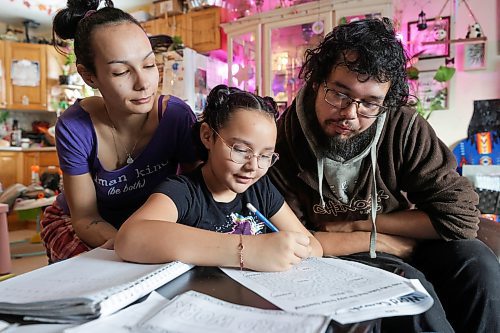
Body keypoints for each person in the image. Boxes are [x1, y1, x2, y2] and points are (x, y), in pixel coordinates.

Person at [269, 18, 499, 333]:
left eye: (369, 103)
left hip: (392, 234)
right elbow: (296, 241)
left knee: (477, 263)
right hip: (331, 254)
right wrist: (386, 244)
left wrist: (361, 224)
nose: (349, 113)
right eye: (339, 94)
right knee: (408, 287)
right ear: (316, 81)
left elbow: (460, 219)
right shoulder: (284, 139)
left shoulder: (402, 127)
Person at [40, 0, 199, 263]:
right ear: (89, 76)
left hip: (147, 229)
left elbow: (196, 193)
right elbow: (86, 218)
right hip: (82, 227)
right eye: (121, 71)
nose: (143, 83)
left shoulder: (175, 117)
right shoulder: (74, 128)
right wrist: (130, 246)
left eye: (149, 65)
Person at [115, 85, 322, 271]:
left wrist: (289, 248)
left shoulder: (260, 189)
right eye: (240, 150)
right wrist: (247, 250)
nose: (253, 166)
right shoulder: (184, 191)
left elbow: (313, 246)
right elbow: (130, 238)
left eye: (266, 156)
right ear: (207, 136)